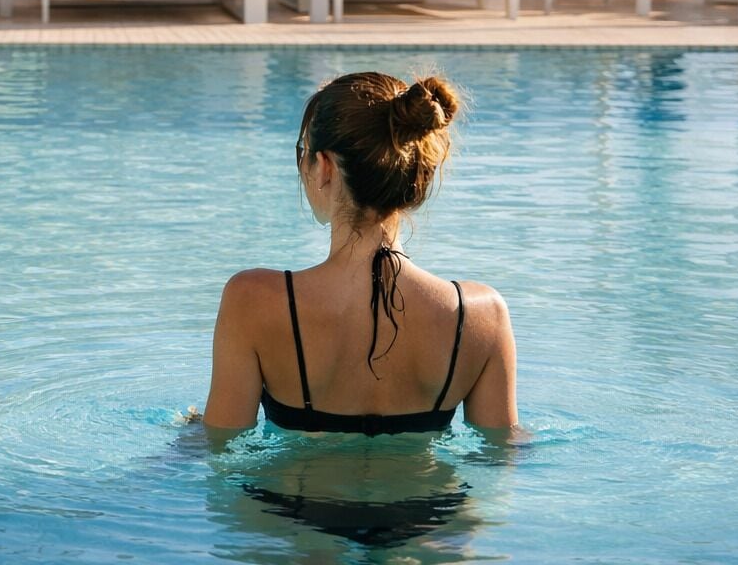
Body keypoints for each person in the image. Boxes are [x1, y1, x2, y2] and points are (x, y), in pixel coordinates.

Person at [199, 72, 517, 435]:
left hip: (296, 476)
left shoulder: (252, 301)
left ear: (325, 167)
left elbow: (218, 446)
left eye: (303, 153)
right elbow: (502, 455)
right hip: (431, 478)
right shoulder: (482, 316)